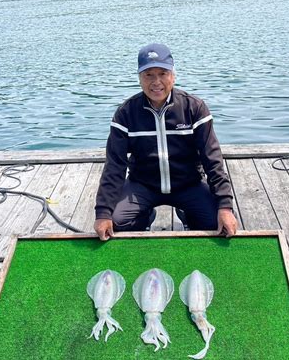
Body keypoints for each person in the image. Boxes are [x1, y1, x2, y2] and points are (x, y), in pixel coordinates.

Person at [94, 43, 238, 241]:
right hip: (142, 185)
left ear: (173, 75)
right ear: (139, 78)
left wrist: (225, 206)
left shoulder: (194, 108)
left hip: (188, 184)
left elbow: (212, 159)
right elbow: (115, 165)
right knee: (116, 223)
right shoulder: (126, 112)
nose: (156, 82)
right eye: (148, 75)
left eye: (162, 73)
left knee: (217, 223)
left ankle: (189, 214)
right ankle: (144, 215)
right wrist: (103, 212)